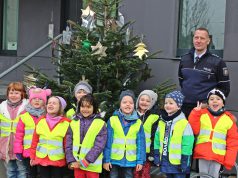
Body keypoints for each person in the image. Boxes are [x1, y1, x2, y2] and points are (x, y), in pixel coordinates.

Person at [178, 27, 230, 118]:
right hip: (184, 107)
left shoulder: (217, 62)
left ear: (208, 41)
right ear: (193, 39)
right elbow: (182, 81)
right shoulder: (184, 59)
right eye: (196, 37)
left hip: (205, 109)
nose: (198, 41)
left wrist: (209, 104)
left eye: (202, 38)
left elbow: (224, 89)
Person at [188, 88, 238, 178]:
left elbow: (233, 142)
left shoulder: (229, 120)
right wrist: (195, 113)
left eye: (218, 99)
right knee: (203, 176)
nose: (214, 101)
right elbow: (193, 130)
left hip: (218, 157)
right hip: (202, 154)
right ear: (208, 103)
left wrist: (229, 160)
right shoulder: (201, 114)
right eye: (211, 99)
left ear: (223, 103)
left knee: (214, 176)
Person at [103, 90, 146, 178]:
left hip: (130, 160)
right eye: (124, 102)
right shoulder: (112, 120)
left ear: (134, 105)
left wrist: (140, 161)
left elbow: (141, 144)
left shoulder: (138, 122)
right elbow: (107, 142)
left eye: (131, 102)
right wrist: (106, 160)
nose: (127, 104)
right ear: (120, 104)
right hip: (113, 159)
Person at [154, 90, 194, 178]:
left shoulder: (184, 123)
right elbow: (157, 141)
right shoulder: (162, 122)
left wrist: (185, 162)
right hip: (165, 160)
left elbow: (187, 144)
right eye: (166, 103)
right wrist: (157, 156)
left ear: (178, 106)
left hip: (178, 162)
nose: (167, 105)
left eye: (171, 103)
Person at [65, 94, 107, 178]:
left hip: (92, 165)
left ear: (94, 108)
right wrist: (71, 160)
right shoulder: (74, 122)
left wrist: (87, 160)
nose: (85, 109)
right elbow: (68, 143)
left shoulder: (100, 123)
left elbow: (99, 145)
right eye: (82, 107)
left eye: (88, 107)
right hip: (77, 164)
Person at [14, 87, 52, 178]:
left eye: (40, 99)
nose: (37, 101)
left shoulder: (47, 115)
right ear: (30, 100)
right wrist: (18, 150)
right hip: (28, 152)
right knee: (31, 174)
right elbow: (19, 135)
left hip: (43, 152)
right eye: (34, 98)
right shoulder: (24, 115)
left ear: (45, 102)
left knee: (43, 174)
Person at [30, 96, 70, 178]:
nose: (50, 105)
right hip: (42, 159)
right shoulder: (40, 120)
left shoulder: (66, 123)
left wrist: (69, 160)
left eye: (54, 103)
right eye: (49, 103)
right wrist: (32, 157)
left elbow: (67, 145)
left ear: (60, 107)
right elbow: (35, 141)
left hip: (57, 160)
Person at [0, 82, 28, 178]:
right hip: (6, 145)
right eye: (11, 93)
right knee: (10, 171)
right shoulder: (2, 107)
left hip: (21, 145)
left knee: (22, 170)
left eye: (17, 93)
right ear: (7, 94)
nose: (13, 95)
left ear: (22, 94)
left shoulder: (26, 107)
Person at [133, 90, 159, 178]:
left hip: (146, 153)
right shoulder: (132, 114)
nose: (144, 102)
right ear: (138, 100)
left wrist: (152, 153)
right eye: (142, 99)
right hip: (132, 151)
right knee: (134, 174)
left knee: (144, 174)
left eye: (148, 101)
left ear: (151, 103)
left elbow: (155, 136)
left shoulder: (154, 117)